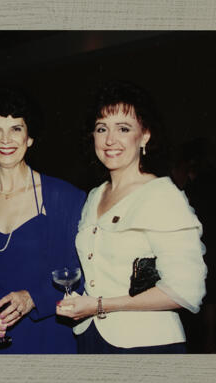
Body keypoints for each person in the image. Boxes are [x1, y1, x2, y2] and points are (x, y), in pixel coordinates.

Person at [56, 81, 207, 353]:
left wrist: (100, 305)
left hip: (146, 344)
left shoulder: (162, 195)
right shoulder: (94, 196)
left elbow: (185, 291)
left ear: (145, 135)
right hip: (91, 339)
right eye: (102, 128)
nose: (110, 140)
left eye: (123, 129)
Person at [0, 89, 87, 353]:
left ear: (30, 137)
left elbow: (82, 272)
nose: (5, 140)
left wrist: (33, 298)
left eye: (16, 128)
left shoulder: (64, 197)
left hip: (47, 337)